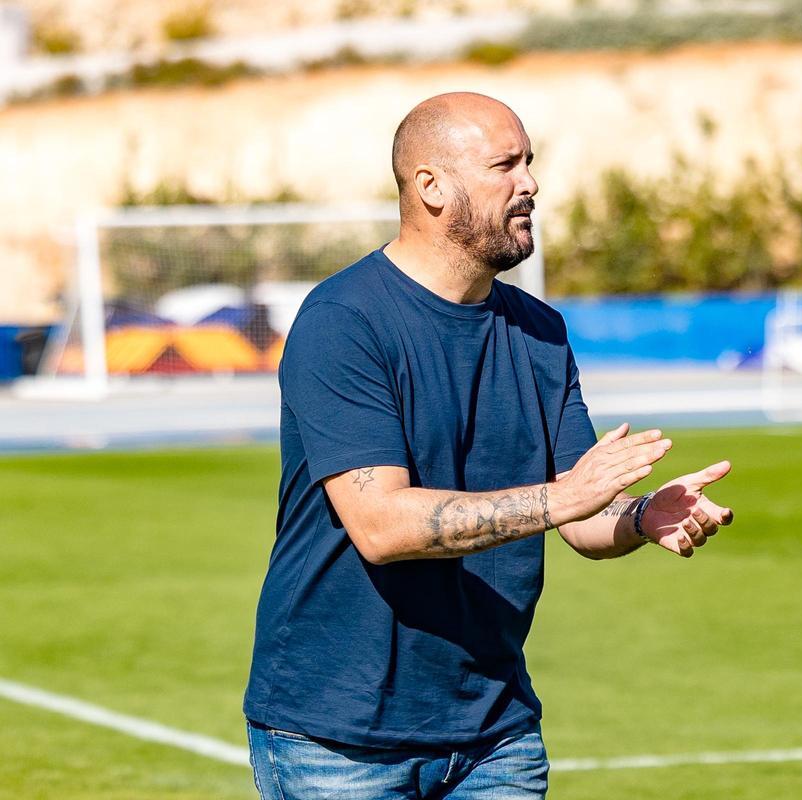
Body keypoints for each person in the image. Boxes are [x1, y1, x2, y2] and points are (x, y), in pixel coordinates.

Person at [243, 91, 734, 800]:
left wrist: (637, 517)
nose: (530, 183)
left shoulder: (539, 331)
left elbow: (581, 518)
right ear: (431, 187)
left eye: (530, 162)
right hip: (339, 739)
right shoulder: (343, 322)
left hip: (495, 735)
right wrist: (564, 499)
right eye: (505, 164)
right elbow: (381, 526)